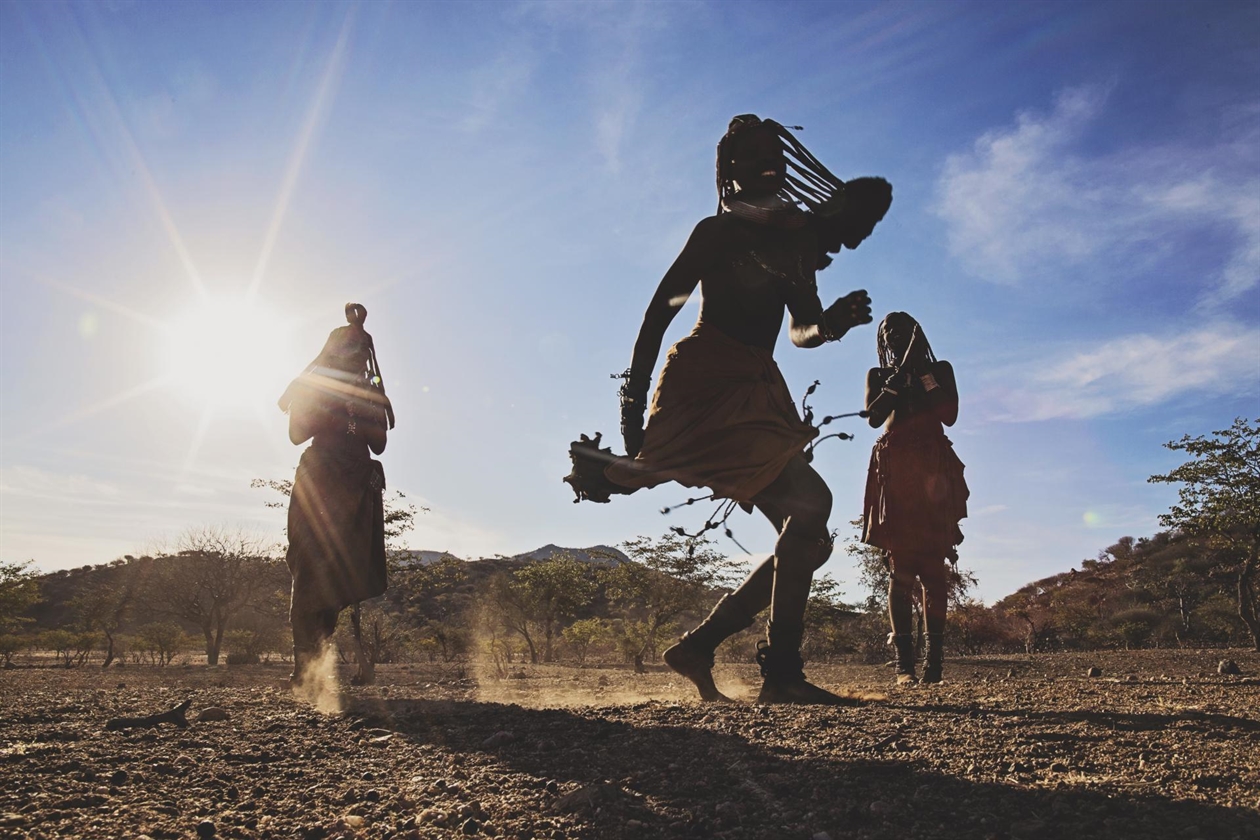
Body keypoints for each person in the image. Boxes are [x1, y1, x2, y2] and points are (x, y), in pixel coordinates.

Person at [565, 115, 891, 704]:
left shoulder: (794, 239)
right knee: (811, 507)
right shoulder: (714, 234)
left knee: (809, 535)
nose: (766, 163)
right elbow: (656, 317)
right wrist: (632, 411)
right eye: (750, 156)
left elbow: (800, 328)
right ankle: (781, 673)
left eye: (774, 154)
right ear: (728, 172)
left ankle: (703, 647)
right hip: (702, 380)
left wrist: (832, 323)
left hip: (754, 386)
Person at [279, 303, 394, 687]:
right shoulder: (314, 386)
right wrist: (327, 400)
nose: (356, 357)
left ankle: (321, 666)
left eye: (361, 351)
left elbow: (378, 445)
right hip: (319, 482)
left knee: (346, 573)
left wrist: (367, 405)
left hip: (356, 487)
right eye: (349, 349)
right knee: (310, 568)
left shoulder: (368, 391)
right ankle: (305, 668)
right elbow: (297, 434)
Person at [861, 312, 968, 684]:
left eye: (902, 328)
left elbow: (949, 415)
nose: (894, 335)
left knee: (933, 569)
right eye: (888, 330)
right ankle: (903, 665)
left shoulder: (940, 369)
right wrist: (895, 382)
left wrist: (922, 376)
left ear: (917, 334)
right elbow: (874, 418)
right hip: (896, 470)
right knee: (901, 568)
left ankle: (934, 663)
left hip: (932, 470)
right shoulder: (878, 376)